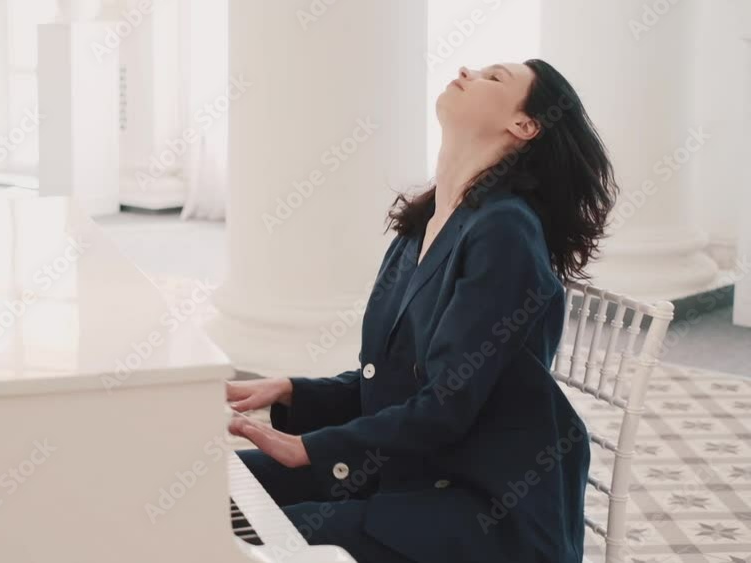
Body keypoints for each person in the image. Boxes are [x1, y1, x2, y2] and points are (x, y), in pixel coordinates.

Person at [227, 59, 618, 563]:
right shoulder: (423, 225)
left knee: (257, 538)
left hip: (486, 506)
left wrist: (310, 448)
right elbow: (397, 381)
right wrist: (291, 390)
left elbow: (445, 407)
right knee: (215, 489)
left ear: (524, 125)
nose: (468, 70)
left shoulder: (505, 231)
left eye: (494, 77)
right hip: (414, 470)